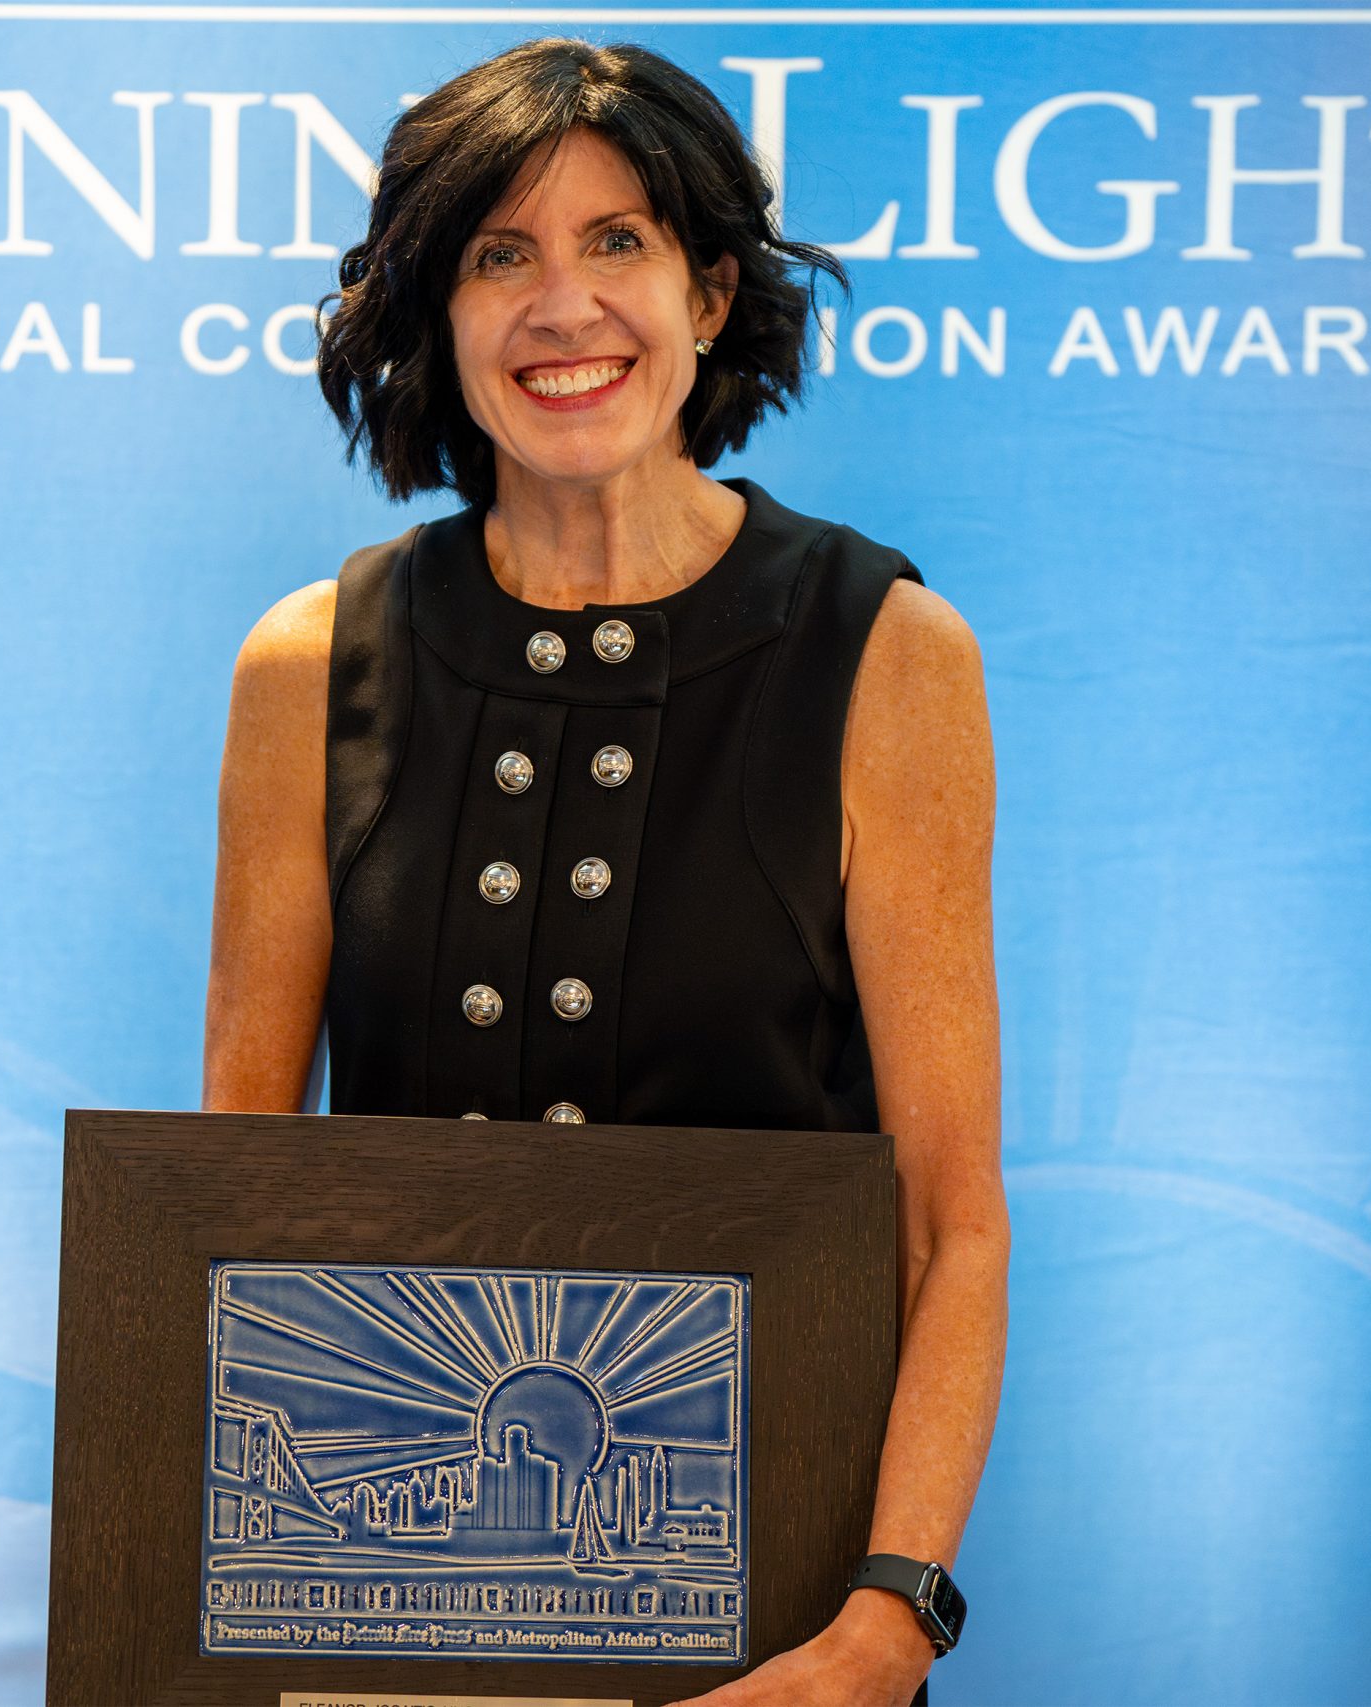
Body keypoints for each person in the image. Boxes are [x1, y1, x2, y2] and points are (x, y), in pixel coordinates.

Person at [202, 37, 1007, 1707]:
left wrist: (886, 1625)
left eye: (618, 243)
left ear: (711, 295)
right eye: (501, 256)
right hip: (381, 1629)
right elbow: (236, 1211)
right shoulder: (306, 665)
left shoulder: (889, 658)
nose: (562, 307)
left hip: (782, 1637)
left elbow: (949, 1220)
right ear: (437, 312)